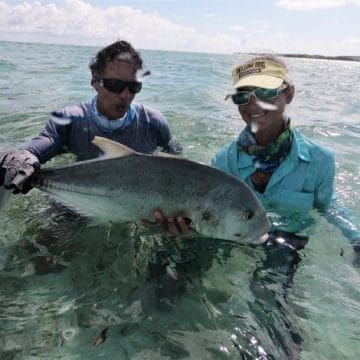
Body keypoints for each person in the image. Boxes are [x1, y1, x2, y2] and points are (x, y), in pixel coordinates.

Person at [155, 55, 360, 254]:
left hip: (288, 242)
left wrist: (355, 238)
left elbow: (328, 205)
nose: (253, 105)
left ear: (289, 93)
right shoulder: (223, 161)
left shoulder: (320, 160)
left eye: (266, 92)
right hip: (236, 237)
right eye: (242, 96)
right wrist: (185, 229)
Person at [0, 40, 181, 194]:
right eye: (116, 85)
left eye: (134, 87)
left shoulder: (154, 122)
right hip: (81, 198)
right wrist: (23, 156)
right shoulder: (69, 120)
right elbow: (40, 146)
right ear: (95, 80)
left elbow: (176, 158)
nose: (126, 96)